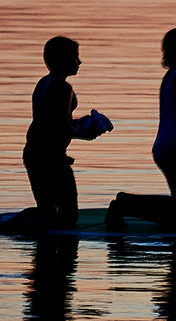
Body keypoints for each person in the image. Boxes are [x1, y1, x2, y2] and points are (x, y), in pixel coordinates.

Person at [106, 27, 176, 230]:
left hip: (170, 148)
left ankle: (126, 201)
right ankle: (125, 207)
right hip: (171, 150)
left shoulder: (173, 74)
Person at [20, 36, 111, 230]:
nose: (79, 62)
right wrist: (88, 134)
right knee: (68, 215)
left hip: (33, 152)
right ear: (61, 60)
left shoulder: (43, 83)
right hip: (50, 157)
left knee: (46, 209)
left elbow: (51, 121)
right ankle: (11, 229)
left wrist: (84, 122)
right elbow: (61, 128)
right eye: (75, 57)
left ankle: (12, 227)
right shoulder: (63, 87)